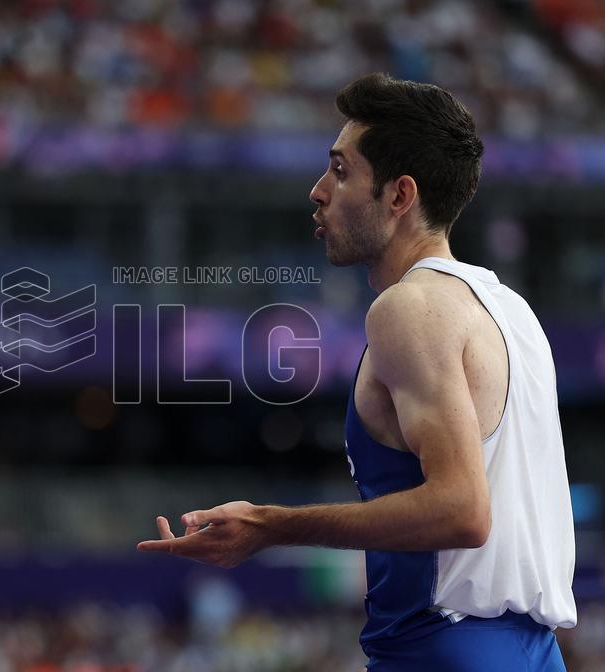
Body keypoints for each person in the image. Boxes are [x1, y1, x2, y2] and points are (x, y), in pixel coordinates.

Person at [137, 73, 577, 671]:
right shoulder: (511, 310)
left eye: (341, 171)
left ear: (400, 197)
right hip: (534, 654)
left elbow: (462, 511)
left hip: (445, 647)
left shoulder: (409, 308)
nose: (317, 191)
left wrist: (267, 525)